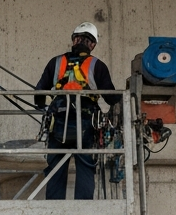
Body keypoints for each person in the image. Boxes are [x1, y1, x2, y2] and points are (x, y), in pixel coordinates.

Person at [33, 22, 121, 200]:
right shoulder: (97, 65)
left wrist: (43, 108)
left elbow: (39, 93)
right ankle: (84, 212)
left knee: (55, 169)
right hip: (86, 125)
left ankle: (54, 211)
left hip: (58, 124)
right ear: (93, 44)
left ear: (74, 39)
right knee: (86, 167)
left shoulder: (56, 63)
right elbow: (112, 98)